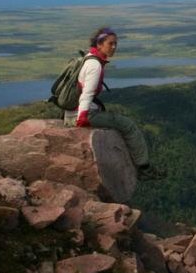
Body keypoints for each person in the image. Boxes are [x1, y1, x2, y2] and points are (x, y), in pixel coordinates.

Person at [66, 27, 166, 181]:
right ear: (99, 44)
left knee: (118, 121)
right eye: (110, 43)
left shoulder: (89, 58)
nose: (113, 47)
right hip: (82, 114)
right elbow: (87, 93)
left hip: (74, 112)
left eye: (115, 44)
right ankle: (144, 168)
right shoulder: (95, 65)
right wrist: (82, 118)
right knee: (128, 126)